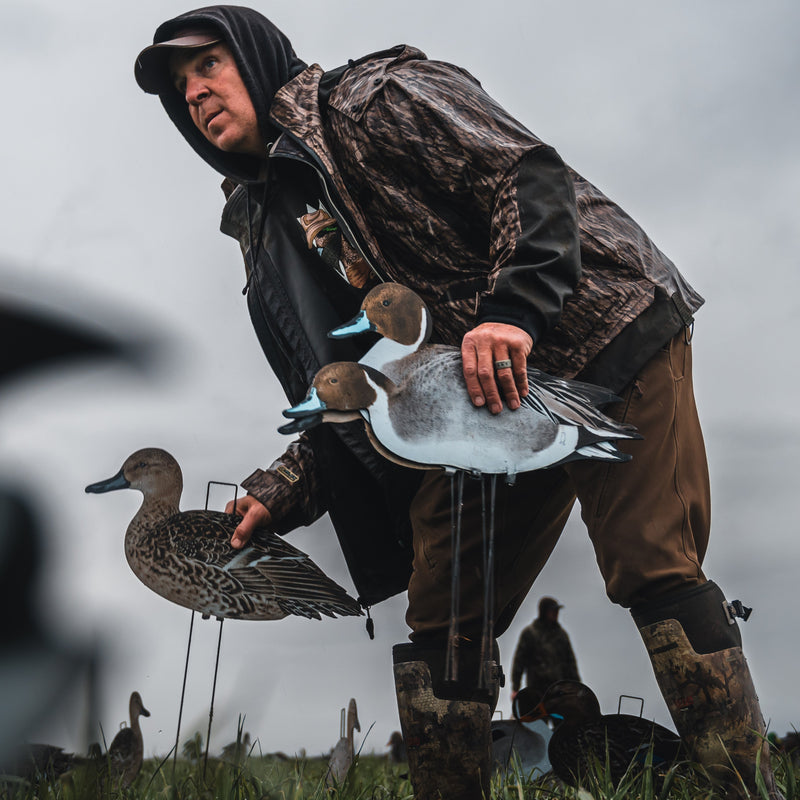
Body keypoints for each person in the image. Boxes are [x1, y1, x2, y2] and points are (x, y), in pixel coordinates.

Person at [134, 8, 781, 799]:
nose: (196, 93)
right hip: (470, 402)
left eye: (208, 66)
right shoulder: (268, 231)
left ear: (257, 56)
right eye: (179, 88)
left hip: (599, 334)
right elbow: (353, 383)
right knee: (441, 616)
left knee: (650, 562)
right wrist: (278, 493)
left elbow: (526, 176)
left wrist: (514, 310)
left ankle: (745, 790)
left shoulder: (373, 98)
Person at [510, 597, 579, 711]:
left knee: (563, 726)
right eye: (553, 610)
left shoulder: (561, 635)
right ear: (544, 611)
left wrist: (577, 689)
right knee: (538, 726)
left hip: (559, 691)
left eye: (557, 610)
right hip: (536, 692)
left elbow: (570, 663)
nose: (556, 613)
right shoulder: (530, 633)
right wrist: (515, 688)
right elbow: (519, 662)